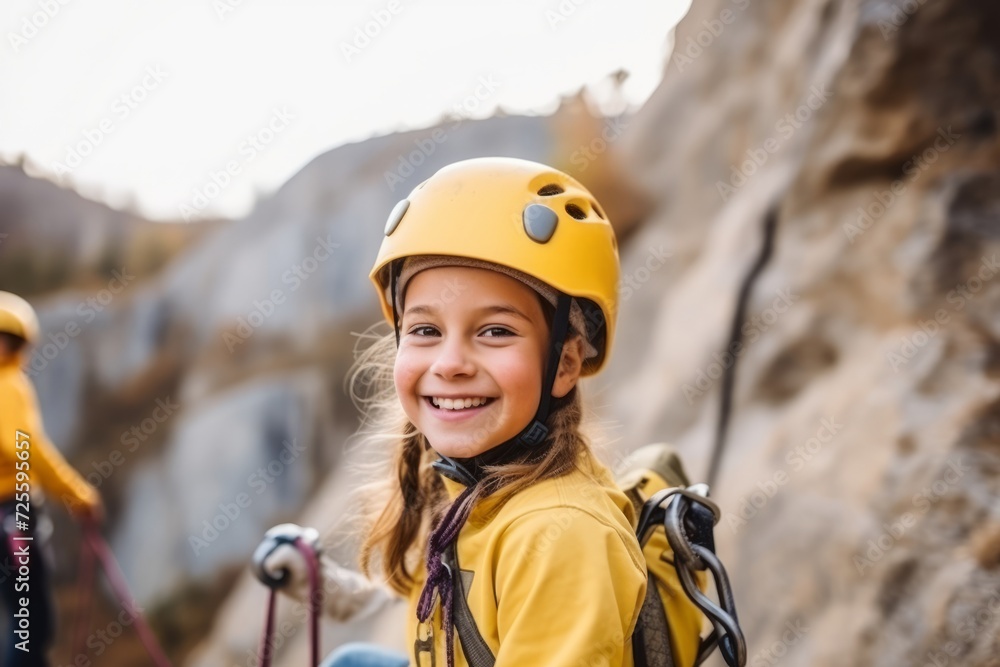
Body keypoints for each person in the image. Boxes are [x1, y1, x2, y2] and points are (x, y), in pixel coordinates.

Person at [255, 157, 647, 667]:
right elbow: (443, 598)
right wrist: (326, 587)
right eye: (425, 330)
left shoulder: (561, 537)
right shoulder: (474, 491)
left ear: (565, 363)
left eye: (496, 331)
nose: (451, 363)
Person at [0, 291, 104, 667]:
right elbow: (26, 449)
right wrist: (78, 495)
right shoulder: (8, 384)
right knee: (31, 627)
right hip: (12, 513)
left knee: (21, 623)